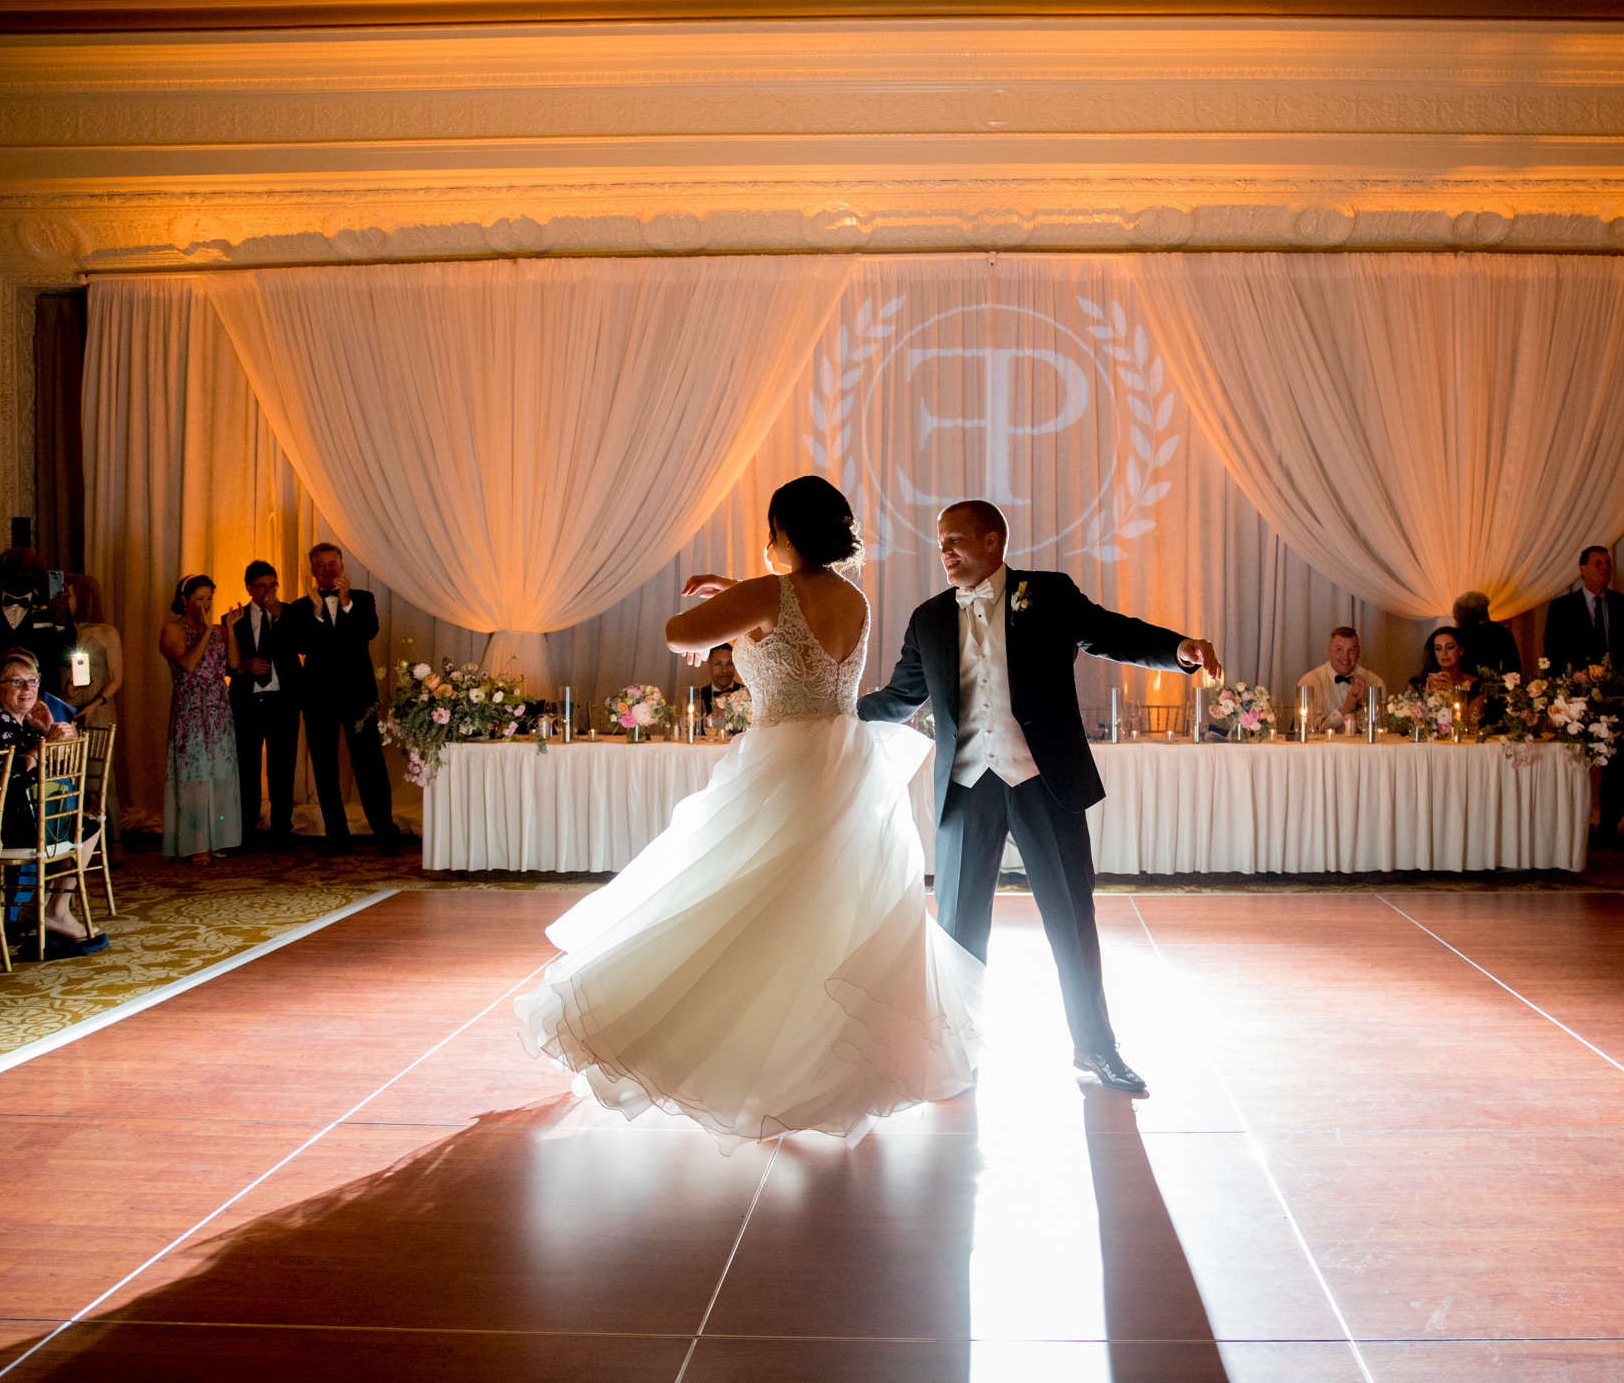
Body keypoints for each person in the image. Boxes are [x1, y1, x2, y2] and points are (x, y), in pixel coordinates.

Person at [517, 475, 986, 1151]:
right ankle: (820, 1061)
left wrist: (736, 595)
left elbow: (681, 633)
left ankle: (735, 1054)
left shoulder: (768, 593)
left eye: (771, 527)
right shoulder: (855, 598)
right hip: (843, 762)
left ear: (784, 529)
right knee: (829, 912)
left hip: (780, 765)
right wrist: (741, 595)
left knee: (733, 899)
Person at [858, 497, 1220, 1096]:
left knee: (1072, 922)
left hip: (1044, 783)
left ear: (993, 540)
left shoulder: (1047, 594)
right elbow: (899, 697)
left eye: (957, 540)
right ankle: (957, 1050)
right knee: (956, 928)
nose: (944, 551)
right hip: (967, 788)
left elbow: (1111, 634)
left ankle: (1095, 1047)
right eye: (939, 542)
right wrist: (829, 713)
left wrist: (1178, 650)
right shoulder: (926, 618)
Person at [0, 648, 105, 953]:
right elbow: (5, 780)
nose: (28, 689)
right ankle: (53, 909)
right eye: (17, 683)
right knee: (87, 824)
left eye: (32, 681)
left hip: (16, 816)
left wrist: (45, 727)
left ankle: (47, 909)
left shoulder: (14, 722)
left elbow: (57, 770)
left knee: (86, 817)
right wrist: (43, 746)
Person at [284, 544, 402, 858]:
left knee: (370, 765)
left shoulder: (362, 599)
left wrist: (346, 604)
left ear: (341, 566)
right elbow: (301, 645)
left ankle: (385, 833)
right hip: (318, 698)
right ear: (312, 570)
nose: (327, 569)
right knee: (324, 769)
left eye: (332, 563)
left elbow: (368, 632)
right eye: (320, 564)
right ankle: (337, 838)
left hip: (359, 696)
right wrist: (318, 616)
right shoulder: (299, 607)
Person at [1543, 545, 1624, 844]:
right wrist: (1565, 694)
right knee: (1577, 763)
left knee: (1616, 765)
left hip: (1617, 698)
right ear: (1582, 569)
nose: (1605, 567)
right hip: (1577, 700)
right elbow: (1553, 654)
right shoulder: (1561, 608)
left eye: (1608, 562)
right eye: (1598, 562)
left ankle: (1609, 825)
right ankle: (1578, 823)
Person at [158, 574, 242, 864]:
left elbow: (232, 665)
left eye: (209, 598)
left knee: (219, 771)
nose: (205, 604)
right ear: (185, 600)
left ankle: (219, 836)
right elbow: (188, 664)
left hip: (218, 705)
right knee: (194, 772)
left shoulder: (218, 629)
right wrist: (206, 631)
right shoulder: (172, 629)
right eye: (199, 599)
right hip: (191, 706)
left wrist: (228, 630)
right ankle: (196, 844)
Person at [227, 560, 300, 853]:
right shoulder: (235, 618)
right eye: (262, 586)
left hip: (282, 700)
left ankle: (282, 828)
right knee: (246, 766)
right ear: (249, 588)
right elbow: (228, 665)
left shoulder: (290, 612)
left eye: (273, 585)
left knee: (282, 767)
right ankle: (246, 829)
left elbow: (301, 644)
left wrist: (280, 615)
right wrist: (245, 664)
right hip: (248, 701)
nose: (268, 591)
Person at [57, 574, 126, 864]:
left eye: (69, 594)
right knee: (71, 777)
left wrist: (95, 702)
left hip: (97, 709)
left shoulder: (106, 632)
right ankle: (77, 843)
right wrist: (69, 695)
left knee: (100, 778)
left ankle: (114, 843)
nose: (64, 599)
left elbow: (117, 679)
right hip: (70, 705)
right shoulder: (61, 632)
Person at [0, 548, 79, 694]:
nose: (27, 574)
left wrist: (61, 623)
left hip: (40, 697)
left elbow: (66, 659)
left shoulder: (53, 609)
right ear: (3, 571)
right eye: (20, 569)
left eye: (33, 570)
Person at [1297, 627, 1384, 732]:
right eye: (1339, 650)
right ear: (1329, 651)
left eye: (1351, 650)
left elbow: (1382, 731)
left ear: (1358, 653)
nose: (1345, 657)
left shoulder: (1376, 683)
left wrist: (1365, 706)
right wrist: (1346, 709)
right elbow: (1308, 731)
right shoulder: (1309, 683)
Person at [1450, 590, 1521, 680]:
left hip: (1466, 687)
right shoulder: (1501, 633)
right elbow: (1514, 670)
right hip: (1498, 687)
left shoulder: (1457, 636)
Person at [693, 643, 745, 722]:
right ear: (709, 665)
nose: (724, 670)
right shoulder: (697, 696)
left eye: (729, 663)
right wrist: (711, 717)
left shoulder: (748, 694)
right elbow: (691, 730)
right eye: (718, 664)